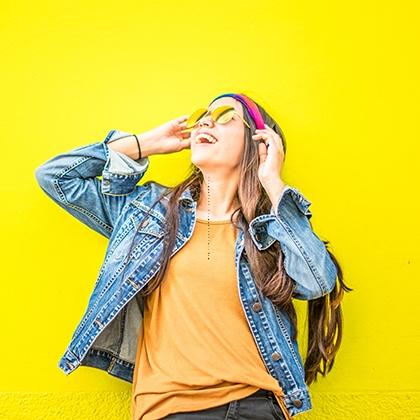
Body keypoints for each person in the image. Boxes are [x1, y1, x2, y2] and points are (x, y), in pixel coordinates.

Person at [35, 92, 352, 419]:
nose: (205, 120)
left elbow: (318, 282)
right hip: (170, 408)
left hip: (258, 405)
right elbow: (55, 177)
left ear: (260, 144)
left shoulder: (269, 229)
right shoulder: (148, 212)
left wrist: (272, 181)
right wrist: (144, 144)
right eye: (203, 115)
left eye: (226, 115)